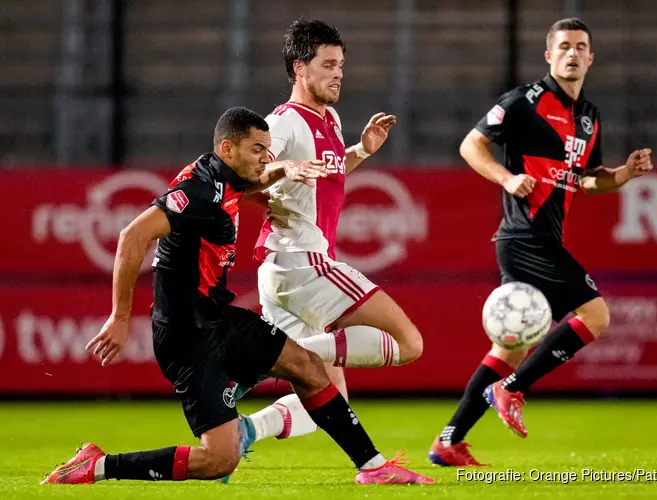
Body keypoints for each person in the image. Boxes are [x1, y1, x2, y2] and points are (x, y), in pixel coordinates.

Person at [41, 107, 433, 486]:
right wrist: (120, 317)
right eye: (257, 150)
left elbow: (254, 181)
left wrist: (287, 167)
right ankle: (100, 465)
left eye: (267, 150)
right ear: (228, 148)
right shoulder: (197, 191)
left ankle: (374, 467)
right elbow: (132, 236)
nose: (266, 157)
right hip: (186, 336)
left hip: (217, 317)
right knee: (218, 460)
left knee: (307, 366)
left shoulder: (226, 175)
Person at [428, 18, 654, 466]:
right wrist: (508, 178)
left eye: (581, 47)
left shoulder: (588, 118)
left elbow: (588, 181)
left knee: (511, 348)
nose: (572, 53)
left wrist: (624, 175)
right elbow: (471, 146)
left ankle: (448, 441)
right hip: (523, 236)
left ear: (591, 58)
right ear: (549, 56)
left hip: (542, 237)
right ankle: (511, 390)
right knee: (595, 315)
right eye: (564, 46)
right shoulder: (523, 102)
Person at [230, 18, 425, 446]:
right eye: (328, 64)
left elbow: (324, 174)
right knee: (408, 342)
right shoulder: (283, 123)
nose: (339, 73)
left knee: (327, 398)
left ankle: (243, 431)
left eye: (341, 65)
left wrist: (360, 151)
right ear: (300, 69)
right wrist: (281, 168)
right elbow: (239, 176)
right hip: (304, 262)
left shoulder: (330, 119)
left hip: (281, 270)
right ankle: (259, 361)